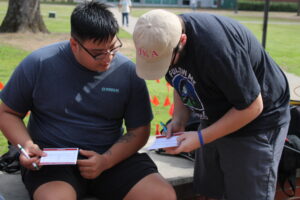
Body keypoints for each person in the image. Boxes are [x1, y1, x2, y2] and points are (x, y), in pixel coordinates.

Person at [0, 3, 176, 200]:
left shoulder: (127, 72)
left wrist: (106, 161)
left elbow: (139, 130)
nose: (108, 58)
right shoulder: (39, 64)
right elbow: (7, 113)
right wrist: (26, 146)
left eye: (113, 47)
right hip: (53, 160)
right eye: (98, 53)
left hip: (111, 156)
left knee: (161, 194)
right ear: (74, 44)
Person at [133, 9, 290, 200]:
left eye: (166, 62)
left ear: (182, 41)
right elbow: (180, 79)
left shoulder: (217, 50)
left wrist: (200, 138)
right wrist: (179, 120)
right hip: (214, 115)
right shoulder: (163, 36)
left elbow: (252, 106)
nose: (166, 68)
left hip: (257, 120)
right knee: (210, 190)